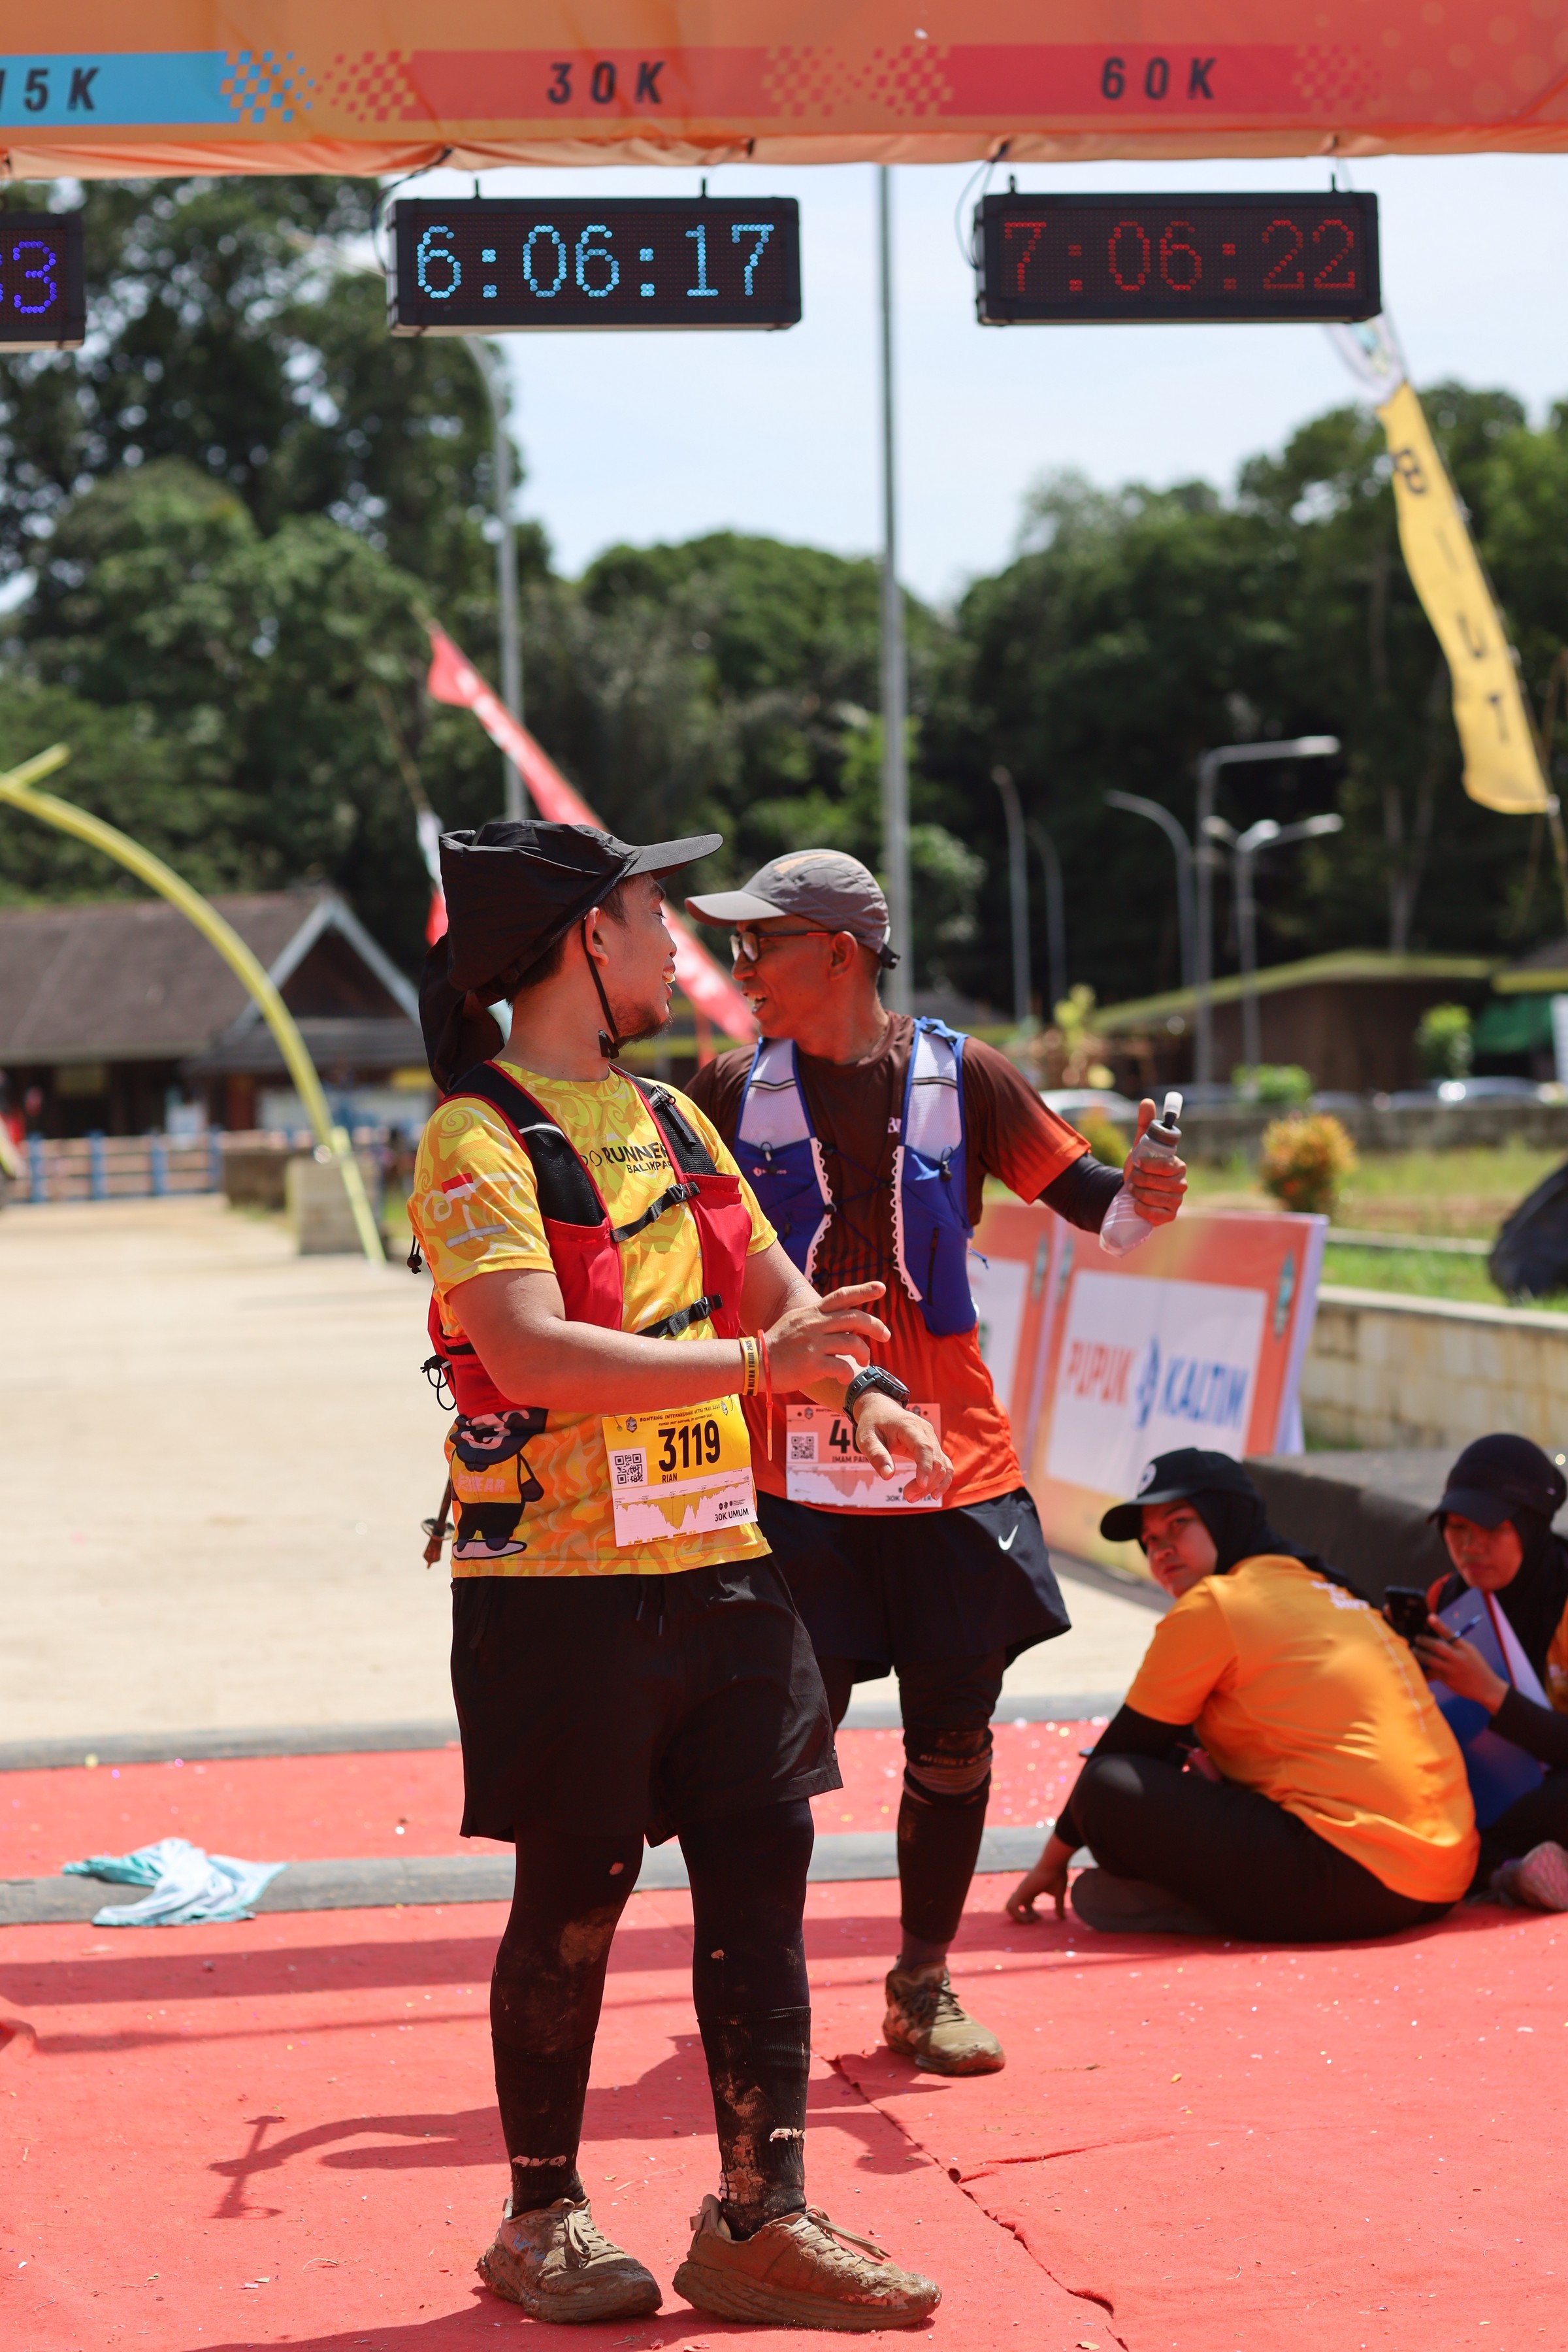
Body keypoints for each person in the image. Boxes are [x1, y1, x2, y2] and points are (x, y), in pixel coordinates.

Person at [409, 818, 944, 2331]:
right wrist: (761, 1362)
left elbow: (774, 1291)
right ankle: (539, 2218)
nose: (677, 948)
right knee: (572, 1899)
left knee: (763, 1888)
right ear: (588, 937)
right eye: (654, 918)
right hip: (557, 1586)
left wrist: (855, 1386)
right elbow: (526, 1350)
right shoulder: (476, 1136)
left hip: (722, 1565)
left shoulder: (674, 1120)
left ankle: (759, 2220)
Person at [683, 849, 1186, 2073]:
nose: (741, 967)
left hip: (949, 1468)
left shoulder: (970, 1077)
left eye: (760, 944)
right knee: (769, 1748)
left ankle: (922, 1980)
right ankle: (763, 1988)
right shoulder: (722, 1089)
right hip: (790, 1474)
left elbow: (1108, 1211)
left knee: (954, 1742)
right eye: (735, 946)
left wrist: (1153, 1189)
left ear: (839, 953)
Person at [1005, 1449, 1478, 1941]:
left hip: (1353, 1881)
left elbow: (1124, 1752)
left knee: (1108, 1788)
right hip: (1447, 1877)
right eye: (1151, 1540)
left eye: (1179, 1524)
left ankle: (1197, 1906)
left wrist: (1050, 1864)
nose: (1162, 1549)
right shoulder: (1328, 1590)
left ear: (1226, 1516)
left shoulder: (1218, 1603)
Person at [1413, 1433, 1568, 1912]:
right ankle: (1513, 1871)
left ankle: (1490, 1866)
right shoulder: (1446, 1599)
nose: (1470, 1546)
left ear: (1530, 1528)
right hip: (1481, 1788)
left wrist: (1492, 1695)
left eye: (1491, 1529)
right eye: (1456, 1527)